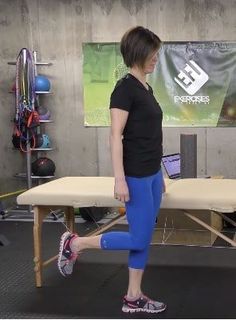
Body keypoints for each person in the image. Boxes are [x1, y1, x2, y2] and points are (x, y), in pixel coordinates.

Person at [57, 26, 166, 314]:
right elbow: (115, 135)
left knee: (143, 236)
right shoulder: (125, 89)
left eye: (156, 52)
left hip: (152, 174)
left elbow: (148, 133)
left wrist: (161, 175)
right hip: (136, 176)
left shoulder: (146, 87)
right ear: (138, 53)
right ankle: (77, 243)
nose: (156, 57)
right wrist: (120, 179)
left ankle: (133, 296)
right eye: (152, 52)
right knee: (139, 237)